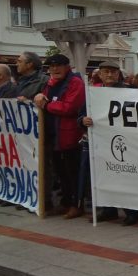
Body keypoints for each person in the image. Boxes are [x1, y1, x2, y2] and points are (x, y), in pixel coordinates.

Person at [79, 61, 138, 225]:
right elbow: (81, 114)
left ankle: (132, 212)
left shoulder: (129, 91)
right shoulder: (93, 92)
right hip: (102, 143)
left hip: (125, 141)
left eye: (113, 72)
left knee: (126, 177)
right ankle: (108, 210)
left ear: (118, 74)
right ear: (99, 74)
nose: (109, 75)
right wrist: (83, 120)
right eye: (106, 72)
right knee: (104, 176)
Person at [33, 54, 85, 219]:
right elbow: (45, 101)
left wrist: (47, 104)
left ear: (67, 66)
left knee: (73, 173)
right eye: (51, 66)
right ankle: (65, 202)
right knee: (61, 173)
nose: (54, 69)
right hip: (54, 136)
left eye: (58, 65)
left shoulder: (75, 83)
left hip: (69, 136)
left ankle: (76, 205)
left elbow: (70, 107)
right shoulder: (50, 83)